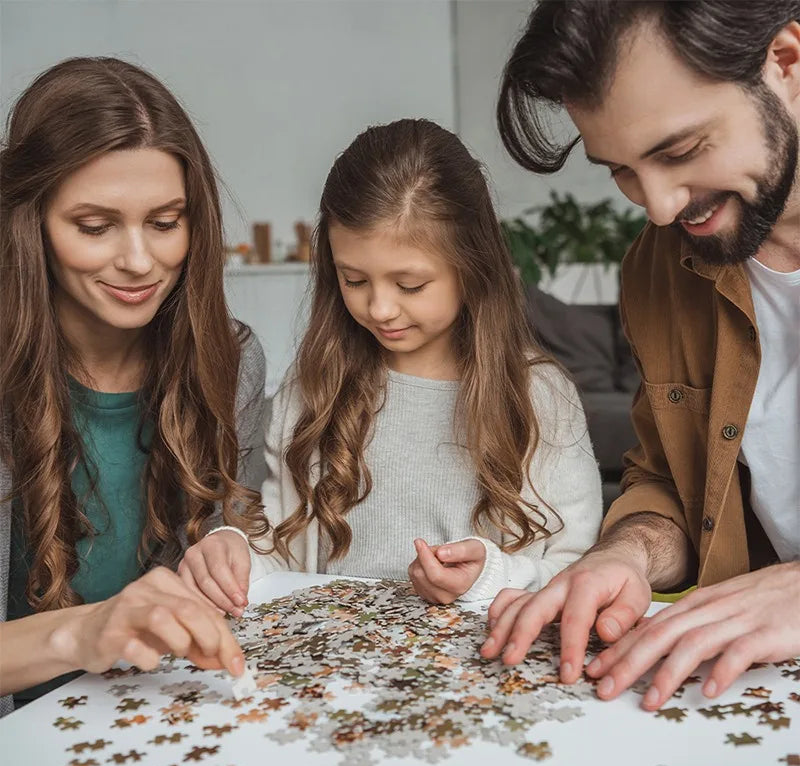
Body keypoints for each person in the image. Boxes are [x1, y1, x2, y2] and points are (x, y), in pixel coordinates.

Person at [481, 0, 800, 710]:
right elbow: (671, 486)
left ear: (786, 62)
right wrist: (624, 553)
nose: (656, 207)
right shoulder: (659, 265)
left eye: (680, 151)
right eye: (621, 170)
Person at [179, 118, 602, 605]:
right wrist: (233, 550)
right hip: (334, 668)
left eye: (410, 285)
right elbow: (280, 548)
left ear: (473, 267)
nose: (379, 309)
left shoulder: (540, 395)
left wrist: (491, 579)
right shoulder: (313, 384)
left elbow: (579, 566)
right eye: (354, 280)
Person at [0, 57, 269, 715]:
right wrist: (85, 629)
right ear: (30, 223)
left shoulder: (231, 360)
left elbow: (237, 521)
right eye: (95, 227)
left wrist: (229, 543)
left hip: (158, 726)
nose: (140, 261)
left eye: (165, 221)